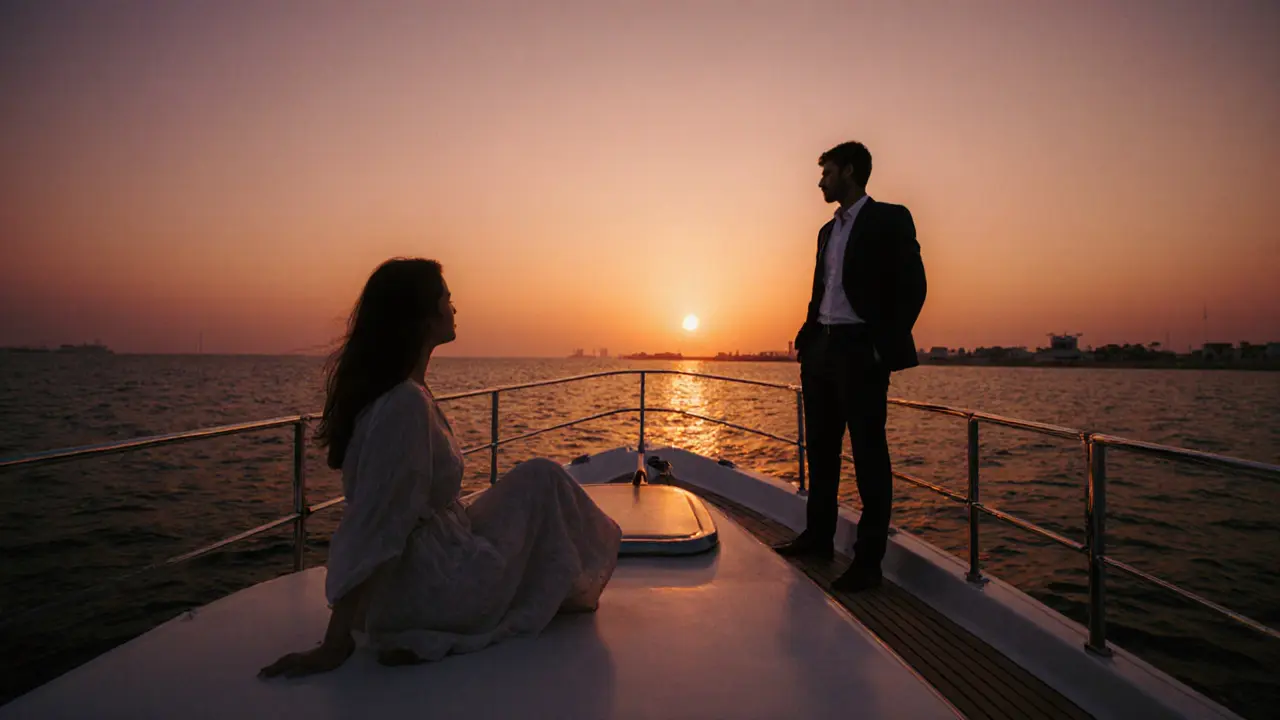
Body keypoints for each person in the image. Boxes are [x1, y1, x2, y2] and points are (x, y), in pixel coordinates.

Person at [260, 258, 622, 678]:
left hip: (431, 558)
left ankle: (427, 621)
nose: (454, 309)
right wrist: (335, 642)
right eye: (447, 300)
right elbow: (378, 523)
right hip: (426, 586)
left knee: (539, 477)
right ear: (424, 317)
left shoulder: (409, 392)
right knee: (543, 489)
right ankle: (424, 626)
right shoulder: (404, 406)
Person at [774, 141, 926, 592]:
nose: (820, 180)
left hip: (861, 350)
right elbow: (822, 289)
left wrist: (883, 346)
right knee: (820, 453)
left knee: (868, 458)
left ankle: (868, 562)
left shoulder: (889, 218)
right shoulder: (826, 231)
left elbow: (914, 287)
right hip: (821, 348)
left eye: (827, 172)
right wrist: (806, 336)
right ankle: (818, 537)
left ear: (850, 171)